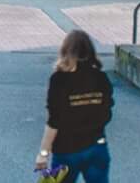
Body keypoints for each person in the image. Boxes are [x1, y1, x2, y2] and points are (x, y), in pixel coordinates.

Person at [36, 30, 114, 183]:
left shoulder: (59, 80)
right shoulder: (101, 78)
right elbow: (107, 113)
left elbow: (54, 121)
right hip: (97, 146)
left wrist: (43, 153)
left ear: (66, 50)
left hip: (66, 150)